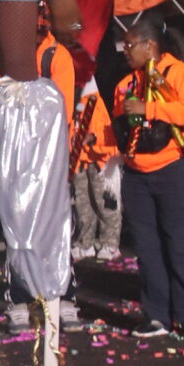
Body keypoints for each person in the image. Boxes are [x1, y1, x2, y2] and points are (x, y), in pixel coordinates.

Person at [113, 14, 184, 341]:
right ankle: (156, 316)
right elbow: (121, 127)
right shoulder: (125, 84)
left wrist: (150, 109)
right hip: (138, 175)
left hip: (179, 169)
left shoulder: (176, 72)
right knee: (147, 249)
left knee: (182, 245)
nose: (125, 51)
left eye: (130, 45)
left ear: (149, 45)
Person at [0, 12, 79, 327]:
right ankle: (19, 298)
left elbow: (63, 111)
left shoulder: (57, 56)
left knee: (57, 226)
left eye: (39, 26)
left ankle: (64, 296)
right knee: (16, 231)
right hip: (13, 159)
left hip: (50, 157)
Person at [70, 80, 123, 263]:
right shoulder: (72, 101)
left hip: (100, 161)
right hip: (79, 160)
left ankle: (110, 243)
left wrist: (93, 138)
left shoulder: (93, 102)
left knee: (105, 203)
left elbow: (103, 134)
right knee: (83, 205)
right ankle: (85, 243)